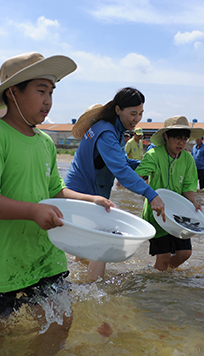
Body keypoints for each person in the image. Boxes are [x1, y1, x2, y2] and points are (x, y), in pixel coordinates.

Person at [0, 52, 114, 356]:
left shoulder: (44, 142)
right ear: (13, 92)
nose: (48, 101)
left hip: (43, 254)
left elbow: (54, 188)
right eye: (40, 91)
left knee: (63, 317)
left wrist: (89, 199)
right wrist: (32, 211)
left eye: (52, 92)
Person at [65, 87, 165, 280]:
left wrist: (145, 165)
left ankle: (79, 278)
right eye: (133, 113)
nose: (137, 119)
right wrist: (151, 194)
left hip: (87, 191)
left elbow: (120, 162)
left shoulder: (112, 130)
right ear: (118, 109)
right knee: (103, 240)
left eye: (141, 114)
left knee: (86, 244)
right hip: (83, 193)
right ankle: (95, 290)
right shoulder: (106, 133)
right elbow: (121, 171)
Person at [135, 115, 203, 271]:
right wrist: (150, 195)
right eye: (177, 138)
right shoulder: (154, 155)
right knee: (164, 256)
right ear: (166, 136)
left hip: (178, 213)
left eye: (184, 139)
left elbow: (187, 187)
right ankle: (159, 289)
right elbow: (137, 177)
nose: (181, 143)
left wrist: (193, 202)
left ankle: (163, 273)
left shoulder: (188, 159)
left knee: (185, 253)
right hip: (157, 213)